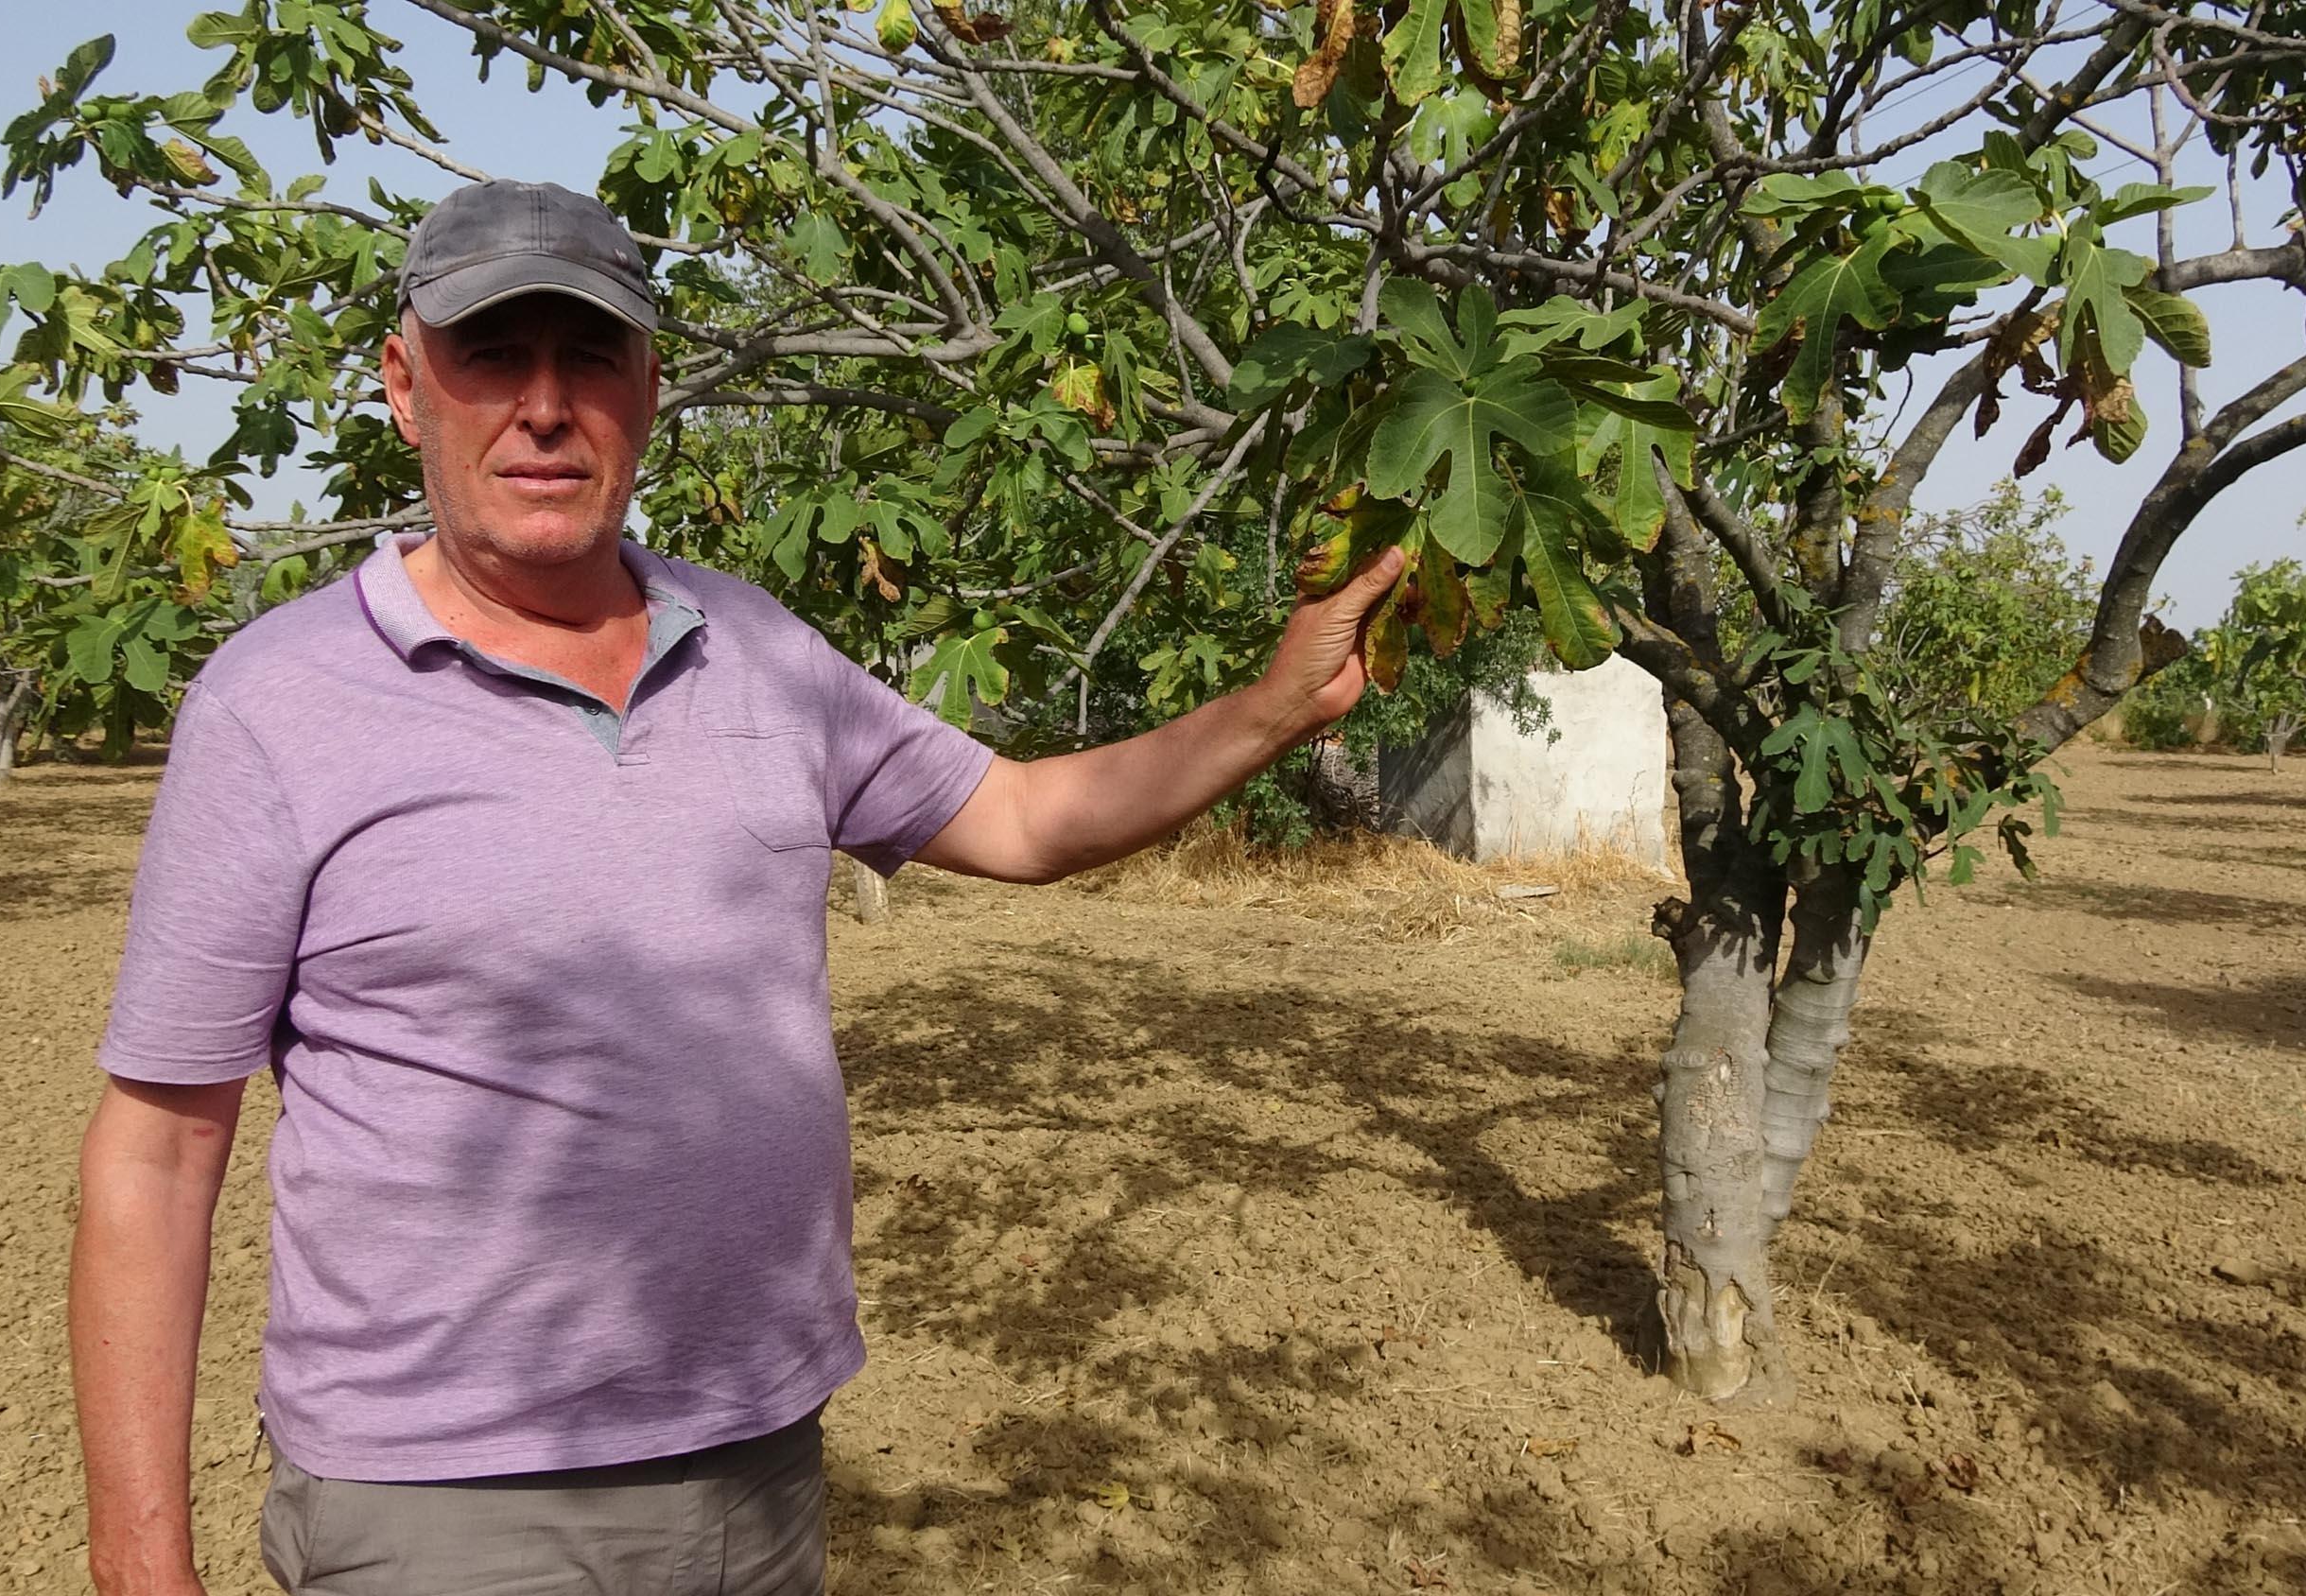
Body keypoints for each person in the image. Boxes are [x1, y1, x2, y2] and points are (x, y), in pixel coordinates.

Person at [69, 179, 1405, 1596]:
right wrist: (139, 1561)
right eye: (491, 357)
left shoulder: (755, 647)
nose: (543, 408)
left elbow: (1021, 818)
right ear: (405, 387)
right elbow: (157, 1151)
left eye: (589, 358)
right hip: (445, 1503)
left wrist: (1272, 707)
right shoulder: (278, 702)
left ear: (649, 389)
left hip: (757, 1462)